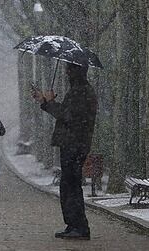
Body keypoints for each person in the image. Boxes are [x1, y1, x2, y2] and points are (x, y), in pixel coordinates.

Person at [32, 63, 97, 240]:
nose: (67, 72)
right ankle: (73, 224)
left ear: (77, 71)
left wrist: (50, 102)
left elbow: (67, 116)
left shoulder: (81, 91)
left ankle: (80, 226)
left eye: (70, 69)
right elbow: (67, 113)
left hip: (74, 144)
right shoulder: (79, 90)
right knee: (68, 184)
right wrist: (45, 101)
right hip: (74, 143)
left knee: (72, 184)